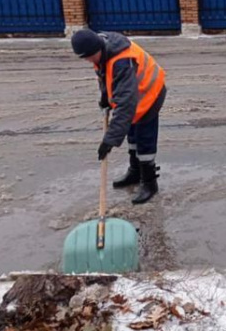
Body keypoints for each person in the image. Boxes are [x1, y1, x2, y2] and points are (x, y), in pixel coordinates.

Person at [71, 29, 166, 204]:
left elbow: (125, 106)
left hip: (150, 93)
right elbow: (104, 75)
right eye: (85, 58)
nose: (89, 60)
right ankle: (135, 172)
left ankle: (150, 183)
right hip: (134, 95)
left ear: (98, 48)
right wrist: (105, 98)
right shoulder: (101, 51)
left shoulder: (121, 60)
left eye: (90, 56)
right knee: (131, 134)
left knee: (144, 139)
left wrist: (110, 140)